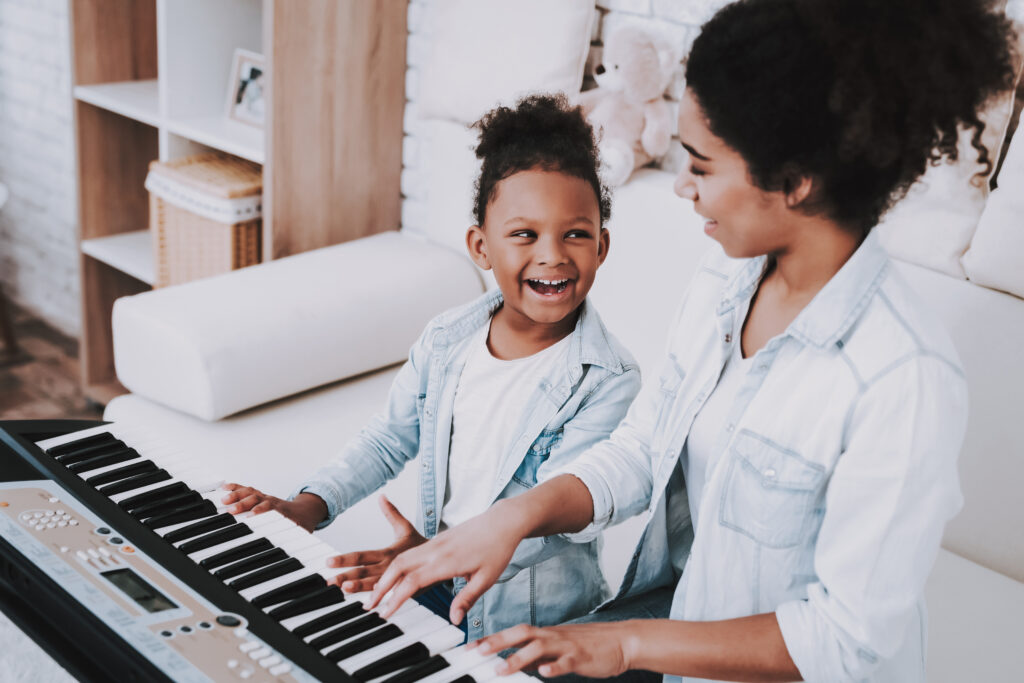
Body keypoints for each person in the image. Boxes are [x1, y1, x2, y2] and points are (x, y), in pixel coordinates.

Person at [367, 1, 1017, 680]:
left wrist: (626, 645)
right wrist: (514, 516)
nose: (681, 186)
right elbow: (645, 446)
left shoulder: (902, 378)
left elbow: (842, 640)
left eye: (702, 166)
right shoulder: (727, 273)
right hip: (672, 637)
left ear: (794, 182)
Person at [221, 94, 641, 639]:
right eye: (524, 234)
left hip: (535, 614)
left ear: (602, 246)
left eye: (575, 234)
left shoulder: (606, 378)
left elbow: (561, 521)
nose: (553, 255)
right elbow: (390, 437)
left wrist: (444, 554)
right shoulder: (448, 340)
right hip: (433, 569)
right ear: (481, 246)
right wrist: (308, 506)